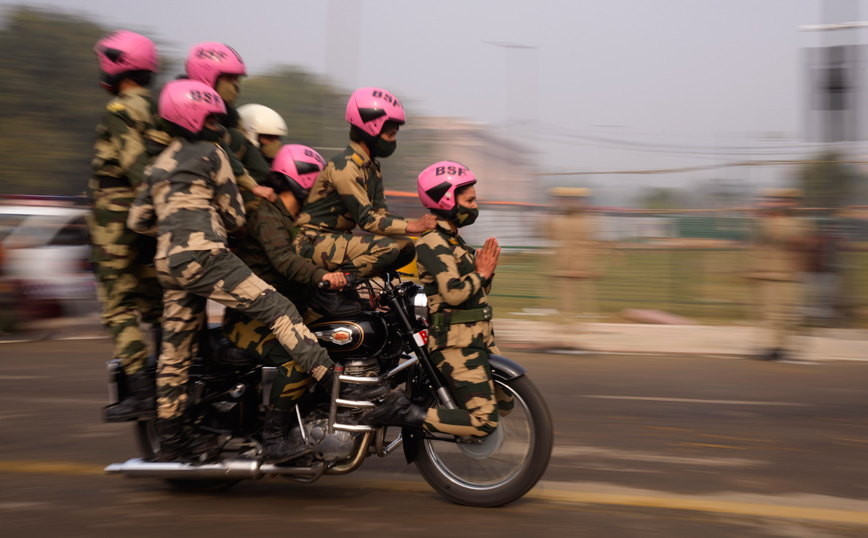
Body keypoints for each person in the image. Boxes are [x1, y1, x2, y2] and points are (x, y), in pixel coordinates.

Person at [128, 80, 343, 462]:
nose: (218, 125)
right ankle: (333, 381)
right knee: (278, 309)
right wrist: (209, 218)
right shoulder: (213, 153)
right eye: (212, 117)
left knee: (175, 353)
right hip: (205, 254)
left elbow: (139, 220)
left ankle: (172, 440)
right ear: (194, 117)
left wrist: (171, 224)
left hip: (168, 262)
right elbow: (233, 214)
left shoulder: (158, 163)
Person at [222, 144, 365, 461]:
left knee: (342, 338)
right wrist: (324, 277)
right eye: (319, 182)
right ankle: (273, 440)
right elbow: (285, 261)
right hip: (251, 318)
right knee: (300, 361)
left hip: (288, 312)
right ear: (300, 179)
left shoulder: (300, 220)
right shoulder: (265, 213)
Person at [363, 161, 511, 438]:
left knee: (507, 401)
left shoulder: (456, 242)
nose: (475, 205)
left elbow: (477, 292)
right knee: (485, 422)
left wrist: (485, 275)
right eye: (469, 200)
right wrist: (480, 273)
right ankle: (405, 412)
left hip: (480, 336)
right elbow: (454, 292)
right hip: (456, 342)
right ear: (446, 200)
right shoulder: (431, 242)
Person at [90, 30, 165, 421]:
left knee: (119, 307)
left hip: (115, 225)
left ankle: (140, 389)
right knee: (156, 305)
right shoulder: (161, 110)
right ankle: (172, 378)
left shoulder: (119, 110)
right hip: (154, 226)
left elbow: (139, 169)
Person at [293, 87, 436, 281]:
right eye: (391, 135)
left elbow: (381, 214)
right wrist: (414, 225)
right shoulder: (346, 166)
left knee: (406, 248)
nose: (393, 141)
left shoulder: (371, 166)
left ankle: (369, 287)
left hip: (337, 239)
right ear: (372, 130)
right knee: (387, 248)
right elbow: (368, 220)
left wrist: (418, 227)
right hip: (312, 240)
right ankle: (342, 285)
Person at [184, 42, 275, 205]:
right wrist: (252, 186)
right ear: (207, 77)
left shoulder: (229, 115)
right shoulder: (183, 105)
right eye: (229, 78)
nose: (236, 85)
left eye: (237, 79)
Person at [744, 188, 814, 361]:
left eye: (776, 201)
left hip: (780, 274)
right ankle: (778, 346)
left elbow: (775, 233)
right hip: (770, 273)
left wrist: (759, 215)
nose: (770, 204)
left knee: (777, 313)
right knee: (774, 313)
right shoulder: (782, 222)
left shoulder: (789, 224)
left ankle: (776, 347)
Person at [545, 187, 603, 323]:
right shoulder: (587, 221)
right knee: (578, 297)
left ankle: (572, 322)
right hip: (575, 263)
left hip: (570, 263)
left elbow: (552, 236)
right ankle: (577, 322)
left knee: (573, 297)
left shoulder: (562, 222)